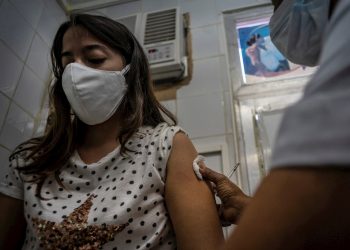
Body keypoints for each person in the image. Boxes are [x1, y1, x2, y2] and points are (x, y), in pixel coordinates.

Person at [0, 14, 224, 250]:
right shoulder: (30, 159)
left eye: (95, 59)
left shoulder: (166, 146)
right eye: (68, 65)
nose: (76, 75)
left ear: (131, 70)